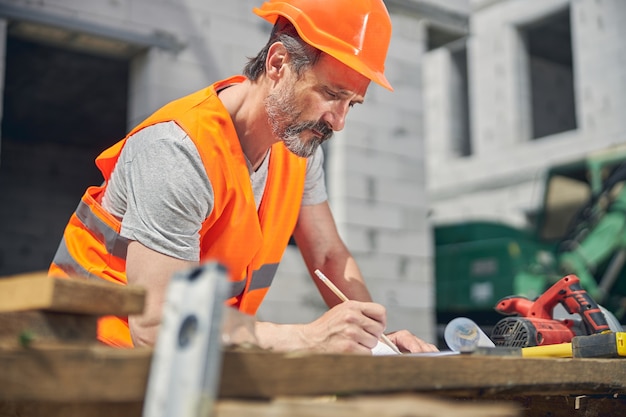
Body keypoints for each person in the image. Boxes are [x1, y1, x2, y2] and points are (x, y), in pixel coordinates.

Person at [48, 0, 438, 354]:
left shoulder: (297, 145)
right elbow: (155, 326)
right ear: (278, 63)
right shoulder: (178, 150)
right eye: (331, 94)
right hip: (85, 357)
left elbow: (328, 254)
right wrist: (307, 337)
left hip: (186, 360)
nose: (338, 121)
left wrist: (376, 341)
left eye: (351, 103)